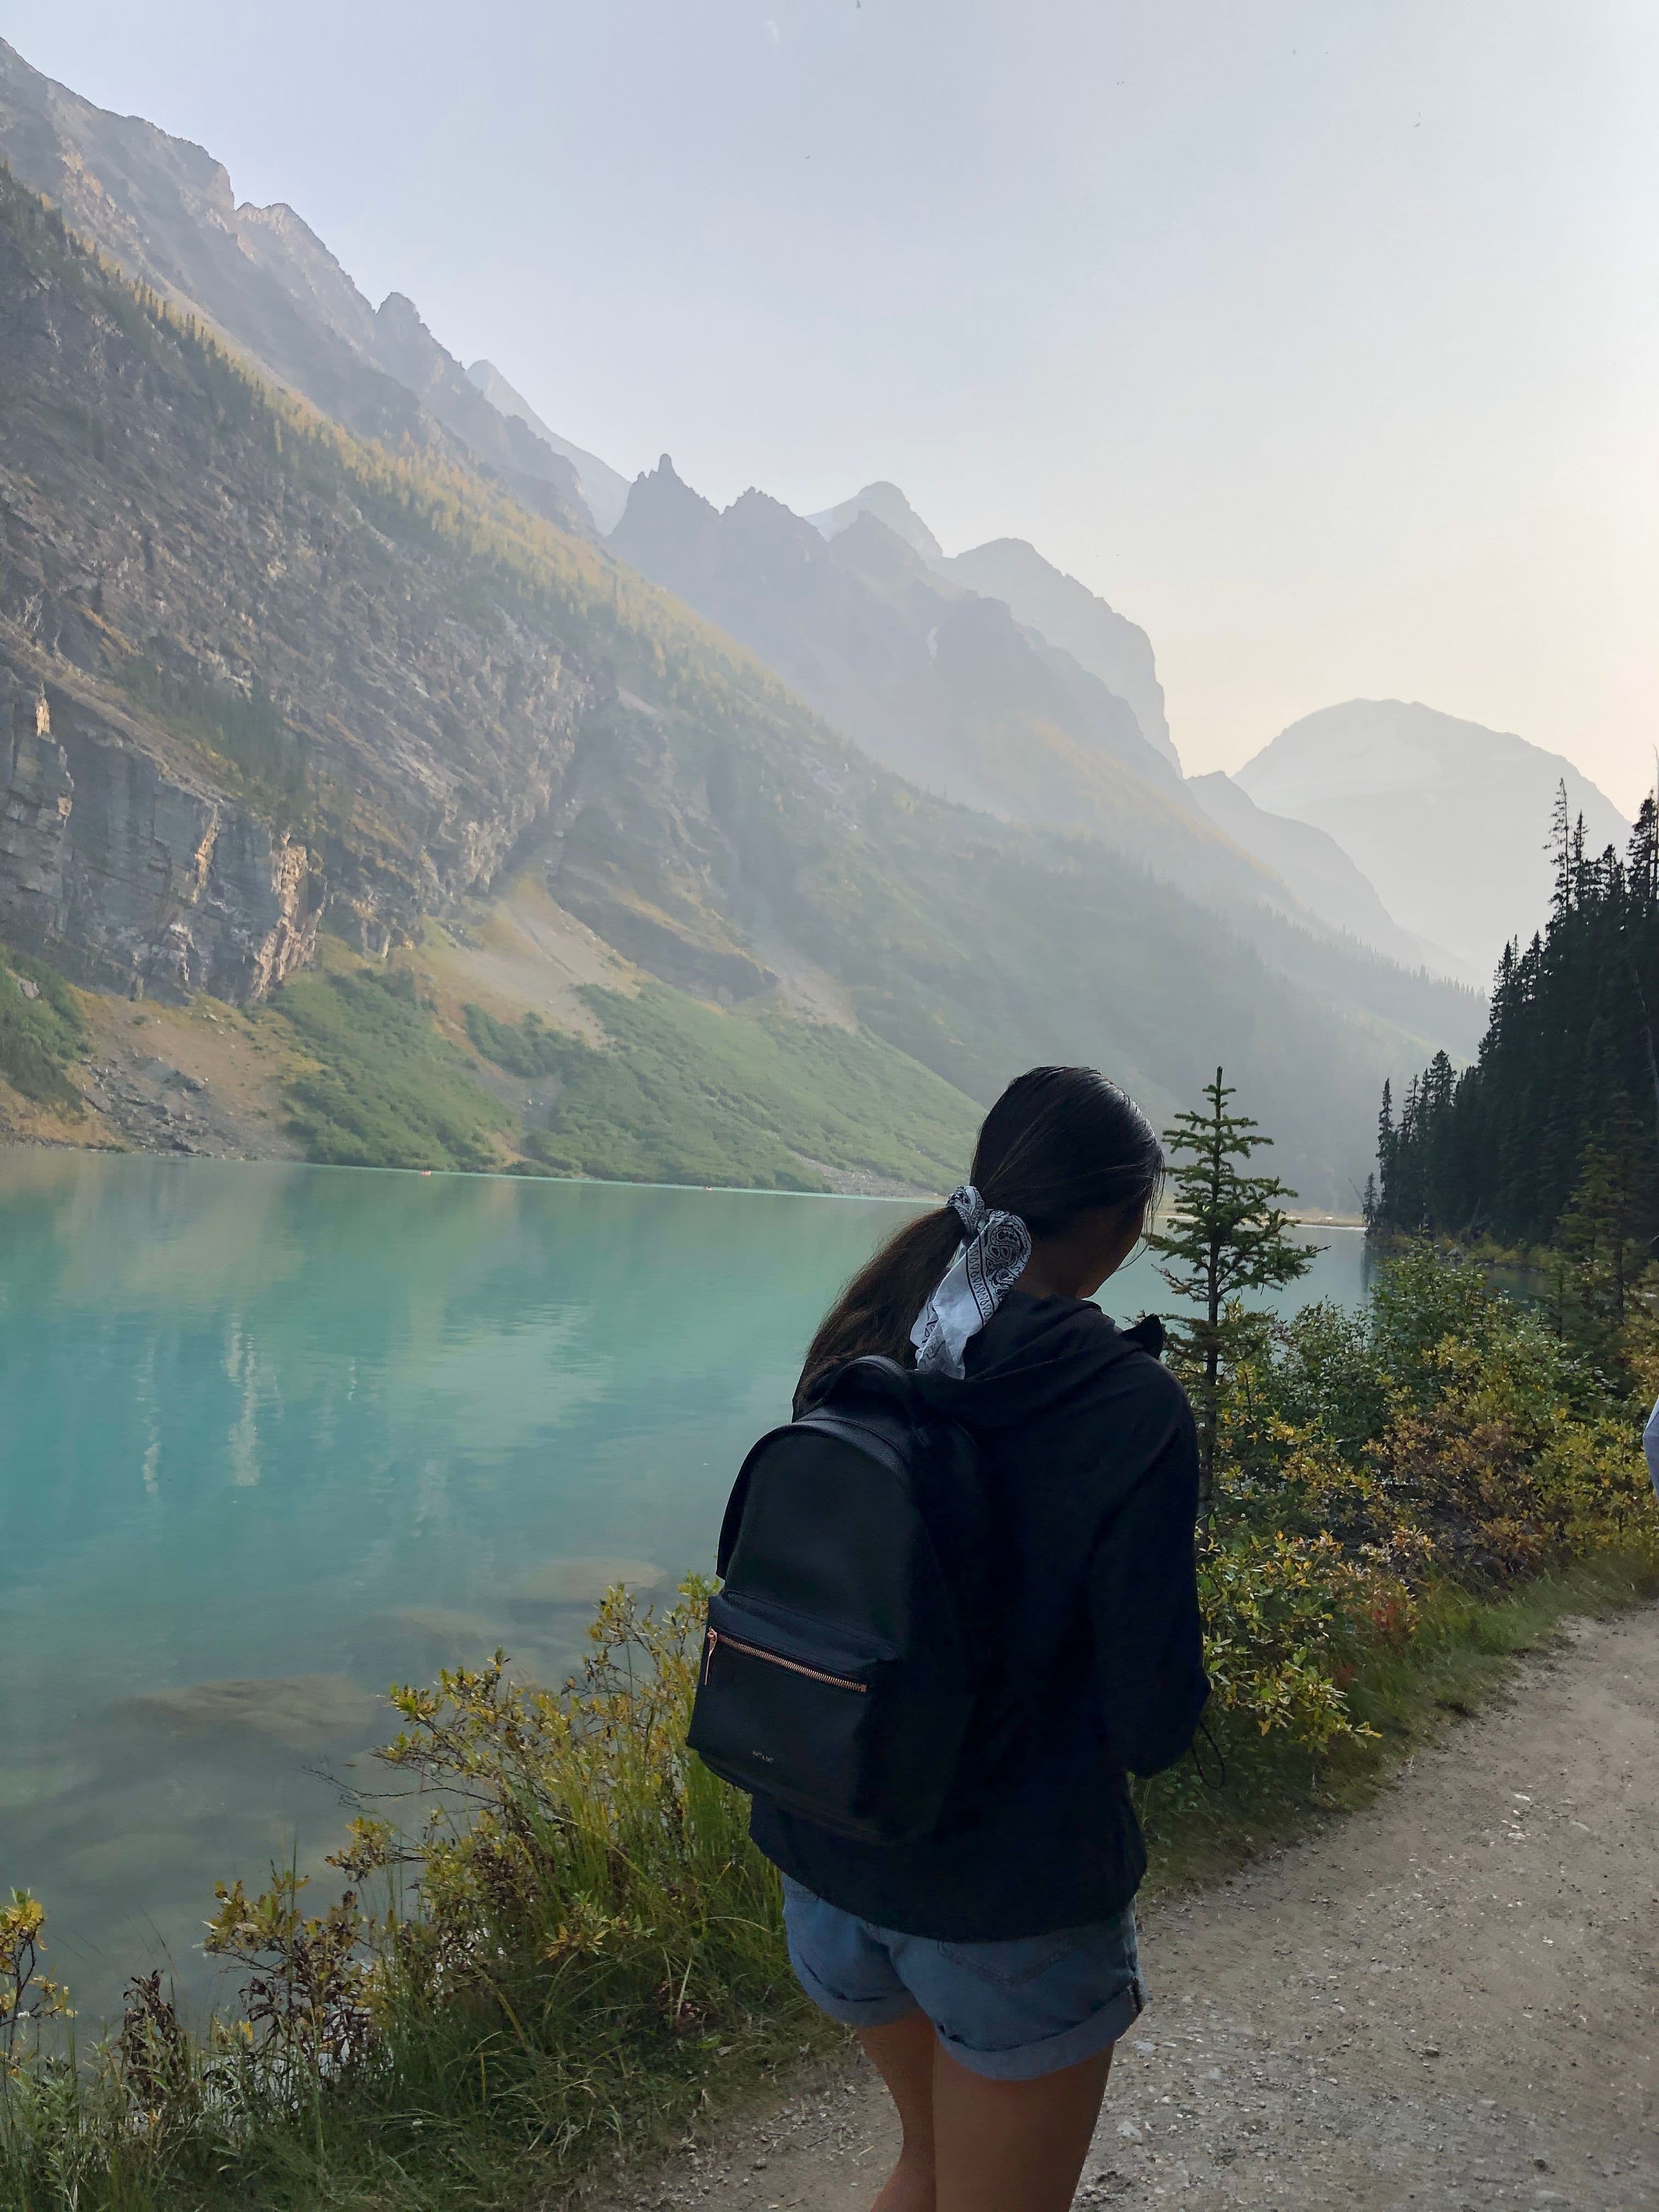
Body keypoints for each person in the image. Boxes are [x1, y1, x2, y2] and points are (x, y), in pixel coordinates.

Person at [749, 1065, 1210, 2212]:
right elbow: (1155, 1721)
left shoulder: (871, 1330)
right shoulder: (1128, 1404)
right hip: (1006, 1903)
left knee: (931, 2164)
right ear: (1116, 1223)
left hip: (830, 1862)